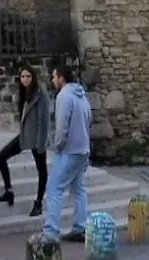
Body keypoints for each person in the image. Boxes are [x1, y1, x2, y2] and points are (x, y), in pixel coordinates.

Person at [42, 63, 92, 244]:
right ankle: (81, 226)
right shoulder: (82, 96)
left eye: (54, 77)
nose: (53, 80)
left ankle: (51, 231)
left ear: (61, 78)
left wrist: (58, 145)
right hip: (83, 149)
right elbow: (88, 119)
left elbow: (62, 125)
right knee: (79, 189)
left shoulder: (63, 96)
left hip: (69, 150)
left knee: (54, 188)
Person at [0, 65, 51, 216]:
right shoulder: (23, 94)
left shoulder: (40, 94)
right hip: (25, 135)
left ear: (33, 78)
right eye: (22, 77)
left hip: (36, 137)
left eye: (28, 76)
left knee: (42, 170)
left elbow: (44, 121)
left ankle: (38, 202)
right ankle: (9, 191)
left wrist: (41, 144)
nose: (25, 79)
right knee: (1, 156)